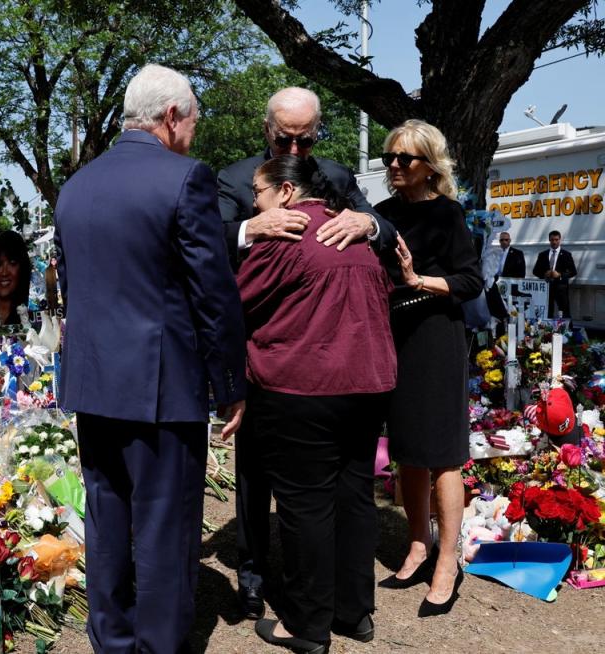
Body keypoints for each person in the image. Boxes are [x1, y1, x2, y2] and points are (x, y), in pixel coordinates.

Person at [54, 63, 247, 654]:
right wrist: (231, 383)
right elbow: (212, 294)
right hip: (162, 388)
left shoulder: (75, 185)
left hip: (93, 384)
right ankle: (160, 645)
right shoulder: (186, 178)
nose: (194, 133)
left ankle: (111, 640)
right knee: (164, 527)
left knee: (107, 521)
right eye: (192, 121)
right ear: (170, 118)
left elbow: (74, 287)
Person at [217, 86, 398, 619]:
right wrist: (252, 226)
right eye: (283, 137)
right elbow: (204, 238)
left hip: (324, 357)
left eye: (305, 137)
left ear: (318, 131)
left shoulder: (337, 177)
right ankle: (253, 573)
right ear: (265, 128)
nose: (294, 148)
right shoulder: (234, 178)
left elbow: (384, 230)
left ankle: (325, 592)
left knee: (326, 490)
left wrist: (370, 223)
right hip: (262, 344)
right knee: (253, 472)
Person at [375, 119, 483, 617]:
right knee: (407, 450)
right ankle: (417, 545)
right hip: (394, 339)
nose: (395, 165)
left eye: (406, 159)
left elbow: (469, 281)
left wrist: (419, 279)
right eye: (389, 157)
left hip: (437, 338)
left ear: (428, 166)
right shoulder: (379, 216)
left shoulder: (448, 214)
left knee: (441, 453)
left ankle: (447, 560)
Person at [533, 230, 577, 318]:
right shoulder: (542, 255)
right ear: (549, 240)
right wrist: (545, 274)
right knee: (547, 312)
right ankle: (546, 330)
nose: (554, 242)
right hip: (546, 289)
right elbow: (535, 271)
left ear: (560, 240)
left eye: (556, 240)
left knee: (564, 312)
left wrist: (560, 275)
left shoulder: (566, 254)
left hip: (561, 289)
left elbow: (573, 271)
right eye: (552, 240)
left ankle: (567, 330)